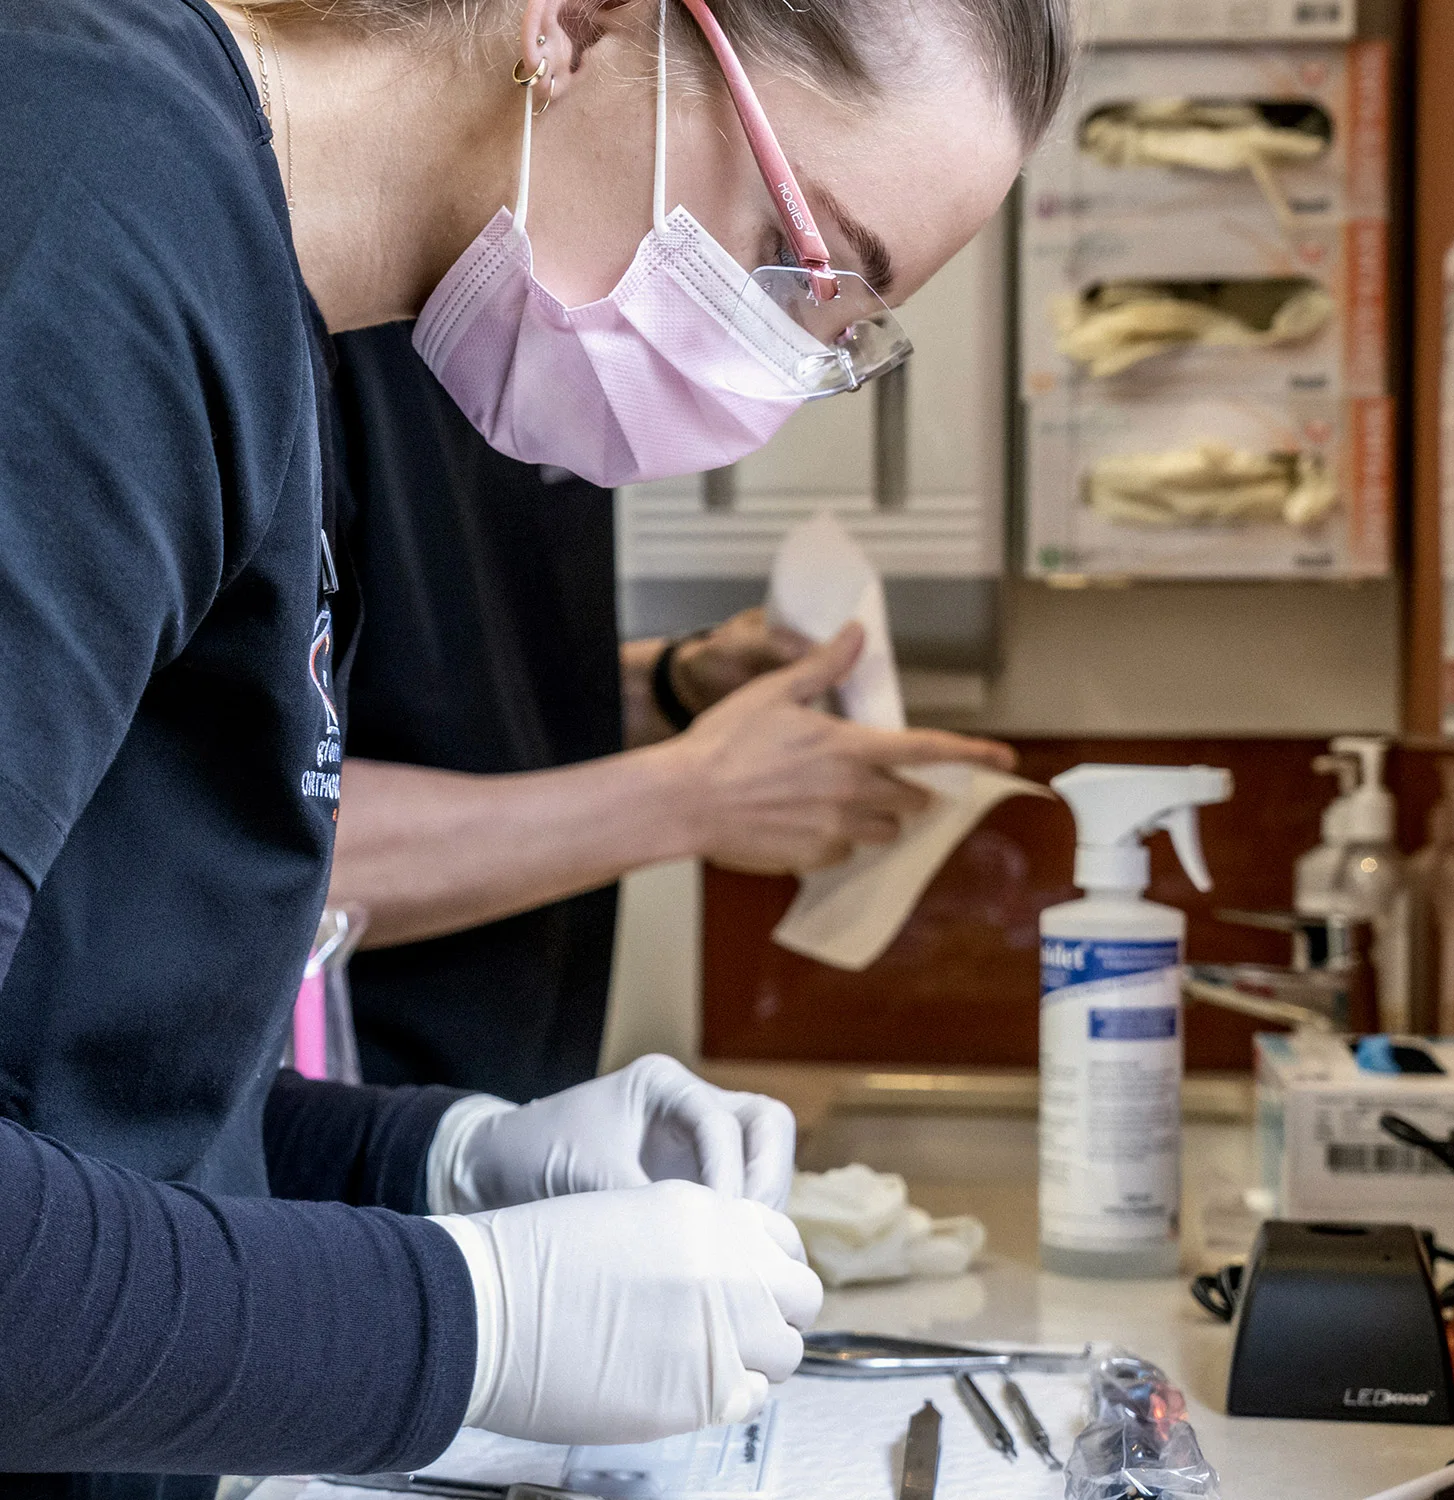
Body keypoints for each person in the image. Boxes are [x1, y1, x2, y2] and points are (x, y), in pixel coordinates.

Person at [0, 0, 1071, 1488]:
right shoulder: (84, 222)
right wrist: (469, 1321)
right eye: (794, 259)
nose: (767, 371)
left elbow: (99, 1091)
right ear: (577, 24)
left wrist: (444, 1163)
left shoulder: (270, 317)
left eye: (832, 336)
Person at [329, 322, 1020, 1101]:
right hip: (322, 1127)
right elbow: (246, 839)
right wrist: (691, 796)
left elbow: (441, 694)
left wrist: (669, 688)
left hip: (507, 1092)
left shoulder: (542, 345)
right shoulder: (319, 343)